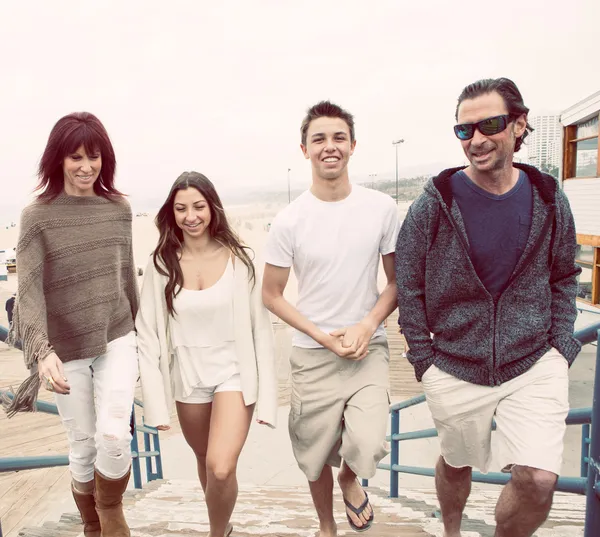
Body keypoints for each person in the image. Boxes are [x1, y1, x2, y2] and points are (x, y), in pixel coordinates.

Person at [395, 78, 581, 537]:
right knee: (458, 464)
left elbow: (564, 275)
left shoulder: (549, 199)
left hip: (535, 361)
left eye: (490, 125)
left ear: (519, 126)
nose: (476, 139)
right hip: (454, 366)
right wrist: (425, 362)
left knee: (538, 480)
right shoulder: (433, 206)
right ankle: (452, 530)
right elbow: (409, 284)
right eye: (464, 130)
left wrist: (560, 344)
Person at [262, 101, 400, 535]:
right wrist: (321, 337)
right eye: (318, 139)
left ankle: (350, 478)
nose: (329, 146)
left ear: (353, 145)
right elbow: (271, 295)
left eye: (338, 137)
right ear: (304, 149)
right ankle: (326, 526)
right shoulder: (289, 221)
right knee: (313, 452)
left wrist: (366, 324)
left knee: (369, 440)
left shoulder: (381, 208)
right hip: (312, 353)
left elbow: (396, 284)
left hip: (366, 348)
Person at [4, 112, 140, 537]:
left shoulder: (118, 209)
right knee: (82, 447)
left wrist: (140, 338)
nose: (86, 166)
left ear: (106, 159)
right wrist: (42, 352)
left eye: (94, 156)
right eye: (75, 156)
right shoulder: (38, 216)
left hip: (117, 335)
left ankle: (112, 514)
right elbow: (28, 291)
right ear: (57, 160)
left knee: (115, 434)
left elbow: (125, 279)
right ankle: (92, 526)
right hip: (63, 349)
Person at [136, 171, 277, 537]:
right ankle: (223, 526)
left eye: (198, 206)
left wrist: (267, 402)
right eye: (181, 208)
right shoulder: (160, 263)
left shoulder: (240, 259)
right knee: (204, 460)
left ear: (212, 208)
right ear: (172, 213)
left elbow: (260, 329)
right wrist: (155, 405)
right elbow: (148, 334)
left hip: (233, 372)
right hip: (188, 376)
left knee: (220, 467)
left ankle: (216, 534)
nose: (191, 216)